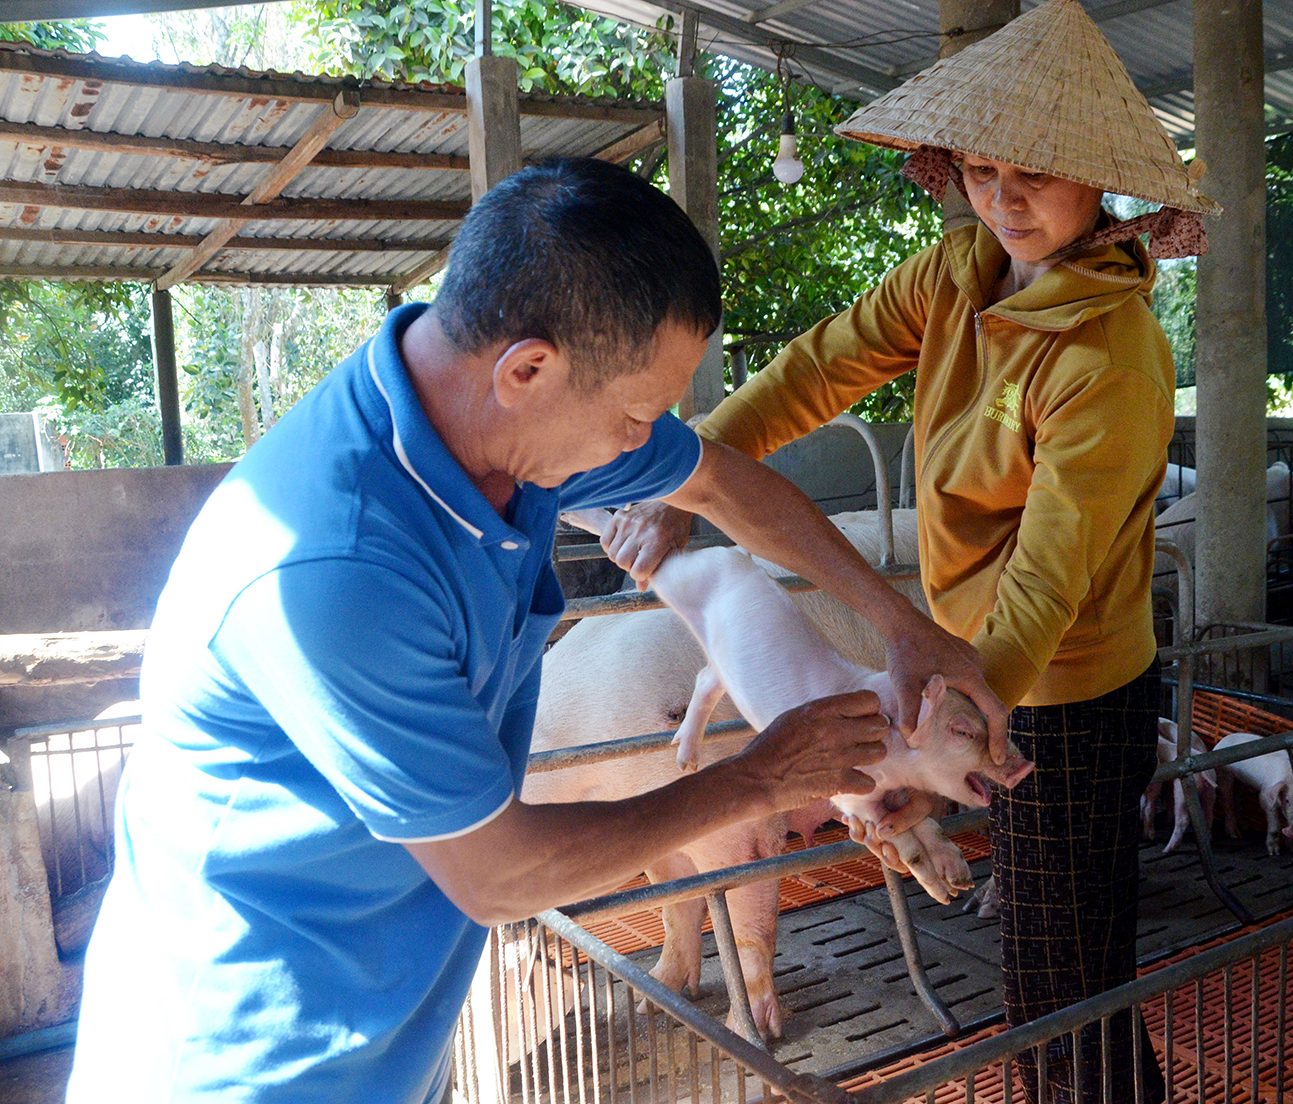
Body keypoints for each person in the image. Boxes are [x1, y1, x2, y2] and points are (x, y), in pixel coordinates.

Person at [66, 157, 1002, 1104]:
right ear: (528, 369)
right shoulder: (339, 568)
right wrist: (762, 777)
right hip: (254, 1054)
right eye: (637, 414)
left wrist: (898, 626)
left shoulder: (506, 435)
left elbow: (719, 481)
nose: (645, 445)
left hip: (393, 1023)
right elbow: (500, 877)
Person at [596, 4, 1217, 1102]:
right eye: (979, 170)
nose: (1002, 199)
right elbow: (816, 370)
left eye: (1033, 174)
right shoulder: (954, 275)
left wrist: (955, 738)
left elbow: (1046, 580)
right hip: (959, 666)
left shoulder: (1112, 354)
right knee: (1040, 954)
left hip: (1060, 690)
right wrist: (689, 475)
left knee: (1063, 966)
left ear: (1101, 186)